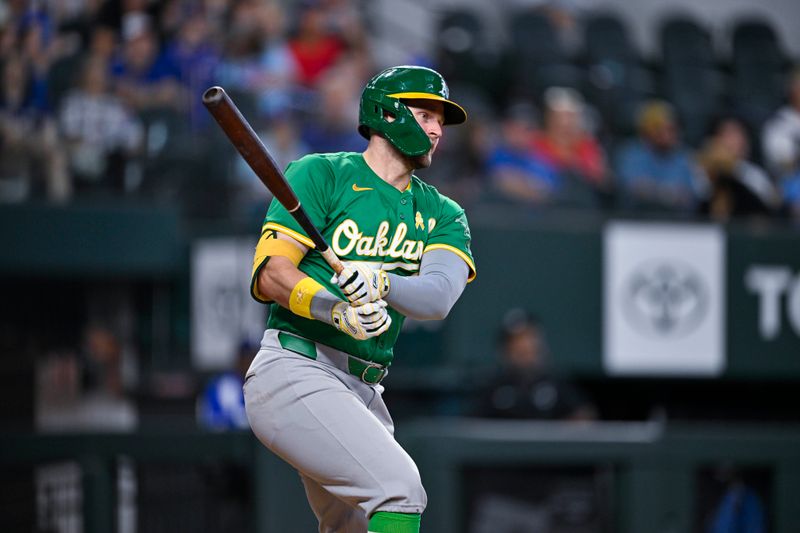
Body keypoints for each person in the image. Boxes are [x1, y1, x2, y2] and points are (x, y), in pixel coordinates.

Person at [243, 65, 476, 533]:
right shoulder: (321, 174)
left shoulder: (443, 213)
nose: (435, 129)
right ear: (386, 113)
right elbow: (272, 276)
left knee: (349, 527)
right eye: (425, 113)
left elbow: (437, 299)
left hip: (364, 388)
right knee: (400, 489)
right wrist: (336, 310)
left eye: (440, 121)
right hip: (296, 366)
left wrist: (381, 281)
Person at [476, 308, 596, 421]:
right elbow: (471, 425)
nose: (525, 347)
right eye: (518, 344)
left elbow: (584, 415)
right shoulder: (495, 387)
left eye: (530, 340)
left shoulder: (556, 382)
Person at [615, 100, 707, 213]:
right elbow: (635, 189)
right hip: (638, 222)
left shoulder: (685, 157)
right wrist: (669, 194)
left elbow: (693, 195)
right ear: (648, 130)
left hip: (679, 225)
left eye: (671, 129)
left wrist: (658, 192)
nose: (667, 135)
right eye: (660, 129)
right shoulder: (632, 154)